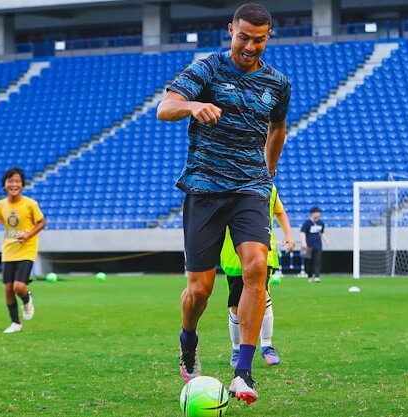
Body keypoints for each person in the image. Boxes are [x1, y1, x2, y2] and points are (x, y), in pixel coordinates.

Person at [157, 2, 290, 403]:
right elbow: (165, 107)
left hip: (250, 188)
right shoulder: (207, 69)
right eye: (244, 37)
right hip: (205, 188)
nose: (251, 46)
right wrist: (192, 105)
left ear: (269, 37)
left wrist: (266, 175)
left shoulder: (277, 83)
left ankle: (243, 372)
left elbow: (278, 127)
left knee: (255, 267)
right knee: (200, 289)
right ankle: (188, 339)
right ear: (230, 30)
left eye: (259, 39)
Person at [221, 185, 295, 367]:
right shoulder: (228, 184)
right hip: (233, 254)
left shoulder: (269, 187)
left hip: (263, 251)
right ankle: (236, 349)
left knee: (263, 295)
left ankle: (267, 345)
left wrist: (289, 234)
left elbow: (279, 211)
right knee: (236, 306)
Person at [0, 167, 46, 334]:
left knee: (18, 287)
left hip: (26, 249)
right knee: (8, 288)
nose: (14, 184)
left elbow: (42, 222)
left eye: (17, 181)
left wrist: (29, 235)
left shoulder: (30, 204)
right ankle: (15, 323)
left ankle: (27, 298)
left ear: (22, 185)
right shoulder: (0, 205)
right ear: (4, 185)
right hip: (8, 250)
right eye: (10, 181)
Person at [300, 207, 329, 283]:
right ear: (312, 213)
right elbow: (302, 232)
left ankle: (317, 276)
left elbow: (322, 233)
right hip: (308, 245)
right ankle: (309, 276)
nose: (318, 214)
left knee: (317, 261)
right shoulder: (307, 223)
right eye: (316, 212)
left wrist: (326, 241)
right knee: (308, 261)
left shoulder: (321, 223)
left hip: (318, 245)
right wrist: (304, 243)